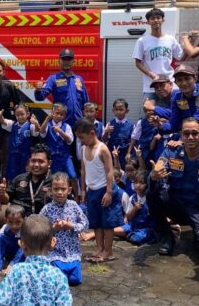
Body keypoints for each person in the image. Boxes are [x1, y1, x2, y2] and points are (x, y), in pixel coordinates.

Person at [149, 118, 199, 255]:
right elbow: (157, 170)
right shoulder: (170, 153)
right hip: (175, 205)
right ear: (181, 135)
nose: (190, 137)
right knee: (151, 195)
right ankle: (168, 236)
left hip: (198, 208)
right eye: (186, 133)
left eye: (195, 133)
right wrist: (153, 177)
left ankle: (198, 236)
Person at [0, 214, 73, 306]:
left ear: (21, 244)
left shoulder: (16, 271)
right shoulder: (58, 275)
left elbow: (0, 303)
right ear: (53, 242)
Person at [76, 118, 122, 263]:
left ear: (91, 133)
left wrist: (109, 192)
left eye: (82, 137)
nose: (81, 141)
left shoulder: (102, 149)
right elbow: (83, 171)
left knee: (107, 223)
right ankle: (99, 248)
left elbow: (109, 171)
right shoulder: (83, 149)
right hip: (92, 190)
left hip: (105, 189)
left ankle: (108, 251)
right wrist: (83, 190)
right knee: (95, 222)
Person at [41, 172, 88, 286]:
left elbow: (85, 224)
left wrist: (71, 226)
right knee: (60, 280)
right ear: (50, 191)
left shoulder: (73, 205)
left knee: (75, 280)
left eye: (63, 189)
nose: (59, 192)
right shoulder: (47, 209)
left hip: (73, 253)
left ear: (69, 190)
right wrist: (53, 228)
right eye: (56, 189)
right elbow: (40, 229)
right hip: (55, 253)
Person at [133, 8, 185, 100]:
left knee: (174, 109)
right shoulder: (142, 41)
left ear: (162, 20)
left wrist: (190, 43)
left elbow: (181, 57)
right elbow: (138, 63)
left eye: (158, 17)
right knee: (148, 109)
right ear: (148, 22)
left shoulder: (170, 39)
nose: (156, 20)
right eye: (152, 18)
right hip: (151, 86)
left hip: (169, 85)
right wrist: (151, 75)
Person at [161, 65, 199, 145]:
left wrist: (182, 141)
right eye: (179, 80)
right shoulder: (177, 97)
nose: (184, 83)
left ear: (195, 79)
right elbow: (174, 124)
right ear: (175, 83)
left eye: (187, 78)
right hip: (188, 139)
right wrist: (160, 125)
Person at [35, 48, 89, 127]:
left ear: (74, 61)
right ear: (59, 61)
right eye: (64, 59)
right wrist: (38, 90)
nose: (66, 62)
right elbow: (40, 97)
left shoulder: (79, 79)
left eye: (69, 59)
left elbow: (86, 102)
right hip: (61, 125)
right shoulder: (53, 79)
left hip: (78, 124)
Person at [0, 104, 39, 183]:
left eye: (22, 114)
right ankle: (12, 187)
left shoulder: (30, 126)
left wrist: (36, 123)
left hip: (25, 156)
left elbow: (36, 132)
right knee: (12, 174)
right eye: (17, 115)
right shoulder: (13, 124)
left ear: (28, 114)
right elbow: (4, 122)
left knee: (24, 174)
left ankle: (23, 188)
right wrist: (0, 117)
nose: (20, 117)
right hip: (13, 155)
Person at [115, 169, 157, 245]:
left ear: (147, 184)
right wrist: (135, 209)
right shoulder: (133, 198)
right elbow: (129, 217)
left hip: (147, 227)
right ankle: (99, 233)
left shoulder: (151, 198)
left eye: (141, 183)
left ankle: (128, 235)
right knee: (117, 230)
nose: (138, 185)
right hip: (133, 225)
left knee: (136, 238)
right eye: (136, 182)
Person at [0, 204, 26, 276]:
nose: (14, 226)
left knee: (26, 243)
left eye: (18, 222)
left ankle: (12, 266)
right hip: (9, 254)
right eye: (10, 222)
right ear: (6, 220)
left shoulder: (26, 230)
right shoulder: (5, 228)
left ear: (24, 220)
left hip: (21, 256)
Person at [39, 103, 76, 185]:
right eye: (57, 113)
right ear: (52, 113)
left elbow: (70, 141)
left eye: (61, 114)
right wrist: (47, 118)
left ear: (64, 116)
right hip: (53, 157)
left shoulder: (67, 126)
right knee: (54, 178)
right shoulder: (48, 124)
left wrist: (60, 131)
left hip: (65, 157)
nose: (59, 116)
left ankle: (77, 193)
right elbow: (41, 133)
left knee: (72, 175)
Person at [103, 99, 134, 169]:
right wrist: (106, 132)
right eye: (116, 109)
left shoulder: (131, 125)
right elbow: (104, 140)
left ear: (127, 111)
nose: (118, 112)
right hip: (112, 154)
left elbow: (133, 141)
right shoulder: (110, 124)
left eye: (121, 109)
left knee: (124, 172)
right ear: (113, 111)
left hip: (125, 154)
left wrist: (129, 153)